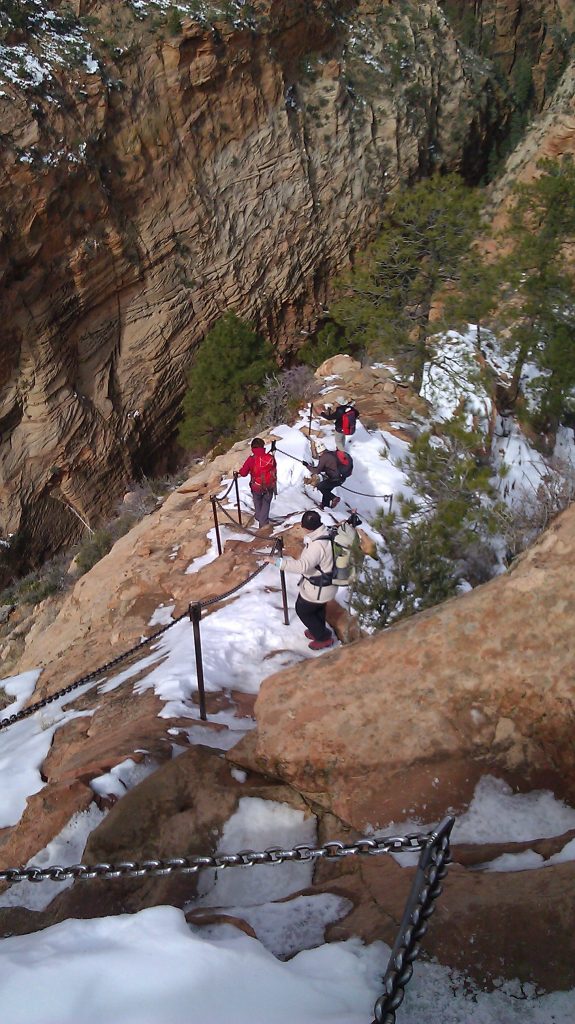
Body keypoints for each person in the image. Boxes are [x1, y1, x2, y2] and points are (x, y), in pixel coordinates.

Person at [266, 510, 336, 650]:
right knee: (318, 609)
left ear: (306, 527)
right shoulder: (326, 534)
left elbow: (302, 566)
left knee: (303, 610)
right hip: (327, 585)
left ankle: (323, 637)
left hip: (317, 588)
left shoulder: (317, 546)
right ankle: (319, 630)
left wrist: (277, 562)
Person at [238, 438, 277, 527]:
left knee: (258, 506)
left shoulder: (251, 459)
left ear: (252, 448)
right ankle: (263, 521)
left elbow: (243, 473)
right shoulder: (270, 458)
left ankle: (262, 526)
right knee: (266, 505)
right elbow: (274, 468)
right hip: (269, 486)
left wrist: (239, 472)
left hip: (257, 487)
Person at [304, 442, 353, 509]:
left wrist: (307, 466)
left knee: (320, 486)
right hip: (341, 478)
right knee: (326, 489)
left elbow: (317, 471)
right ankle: (325, 506)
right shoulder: (332, 453)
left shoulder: (324, 457)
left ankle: (334, 498)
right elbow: (330, 466)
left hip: (335, 479)